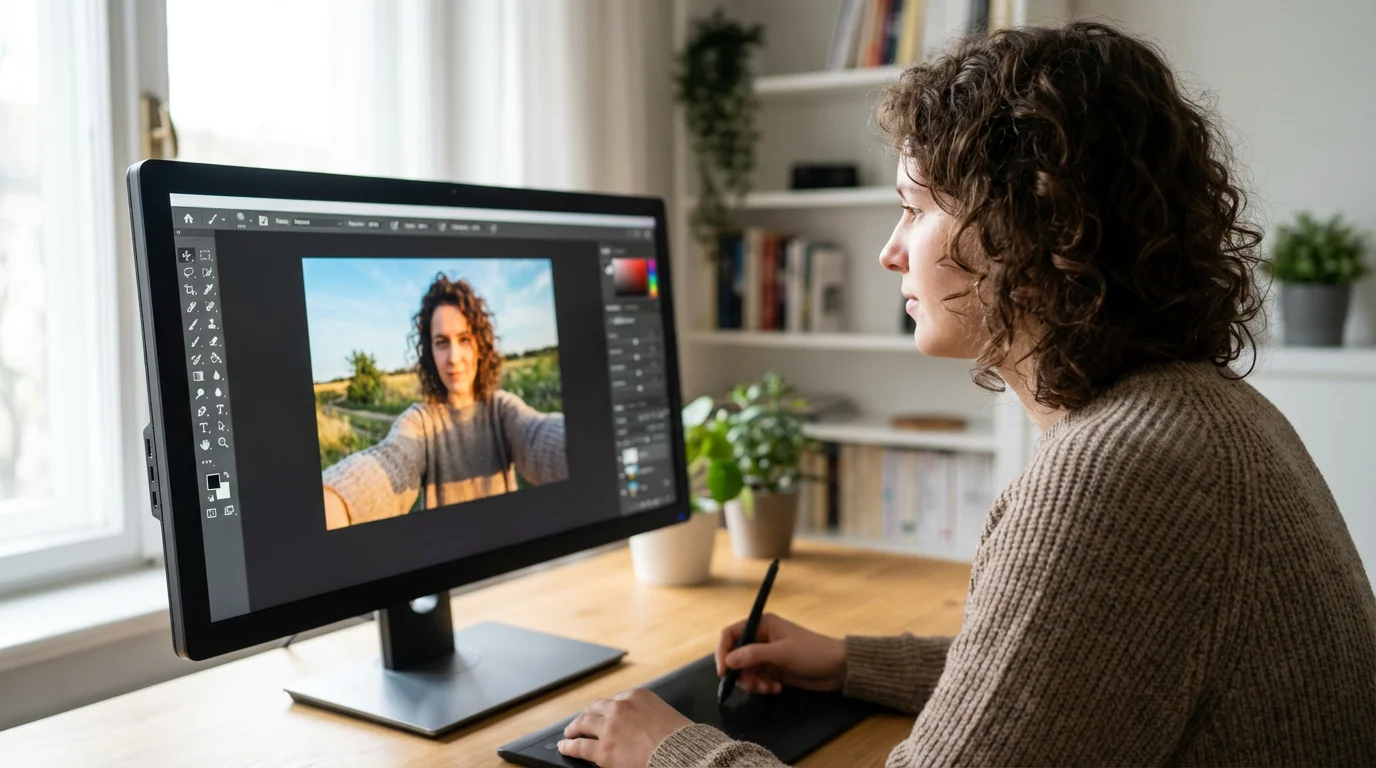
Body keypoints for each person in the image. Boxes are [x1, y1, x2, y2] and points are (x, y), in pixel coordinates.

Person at [557, 22, 1376, 767]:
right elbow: (1076, 675)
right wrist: (852, 661)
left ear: (1031, 221)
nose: (889, 252)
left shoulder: (1119, 474)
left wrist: (670, 750)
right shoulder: (1199, 415)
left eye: (913, 209)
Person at [321, 274, 568, 529]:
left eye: (464, 339)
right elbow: (390, 462)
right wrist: (334, 501)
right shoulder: (421, 422)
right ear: (430, 352)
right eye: (441, 343)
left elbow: (539, 438)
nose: (453, 356)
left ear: (480, 346)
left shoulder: (503, 411)